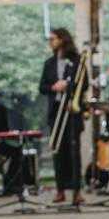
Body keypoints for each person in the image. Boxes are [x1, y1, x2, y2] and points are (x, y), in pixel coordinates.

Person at [39, 28, 87, 205]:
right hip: (56, 111)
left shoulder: (77, 59)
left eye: (53, 38)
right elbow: (42, 87)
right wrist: (54, 87)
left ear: (62, 39)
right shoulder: (49, 63)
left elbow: (85, 83)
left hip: (72, 111)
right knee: (58, 151)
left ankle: (77, 190)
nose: (51, 42)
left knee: (75, 152)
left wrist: (69, 85)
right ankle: (60, 190)